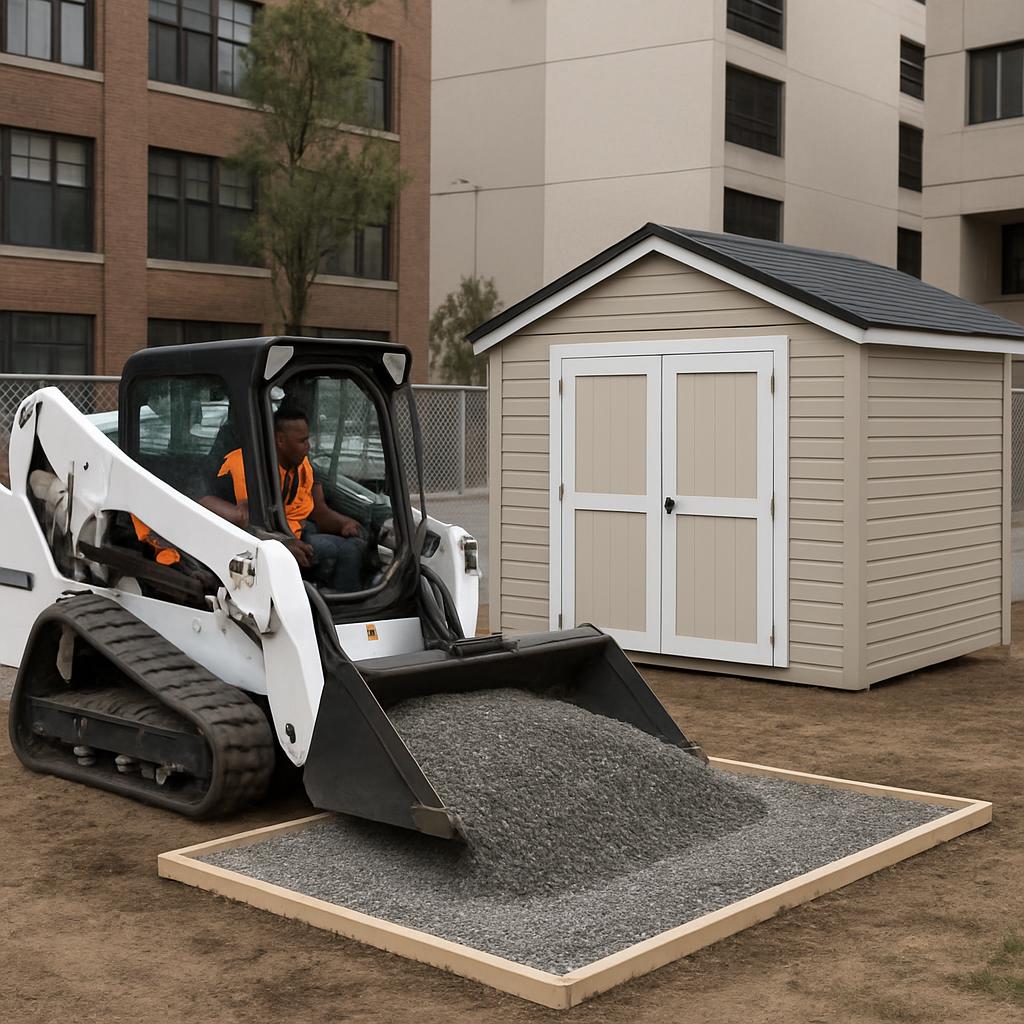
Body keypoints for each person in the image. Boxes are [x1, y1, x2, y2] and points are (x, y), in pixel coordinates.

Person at [202, 406, 367, 592]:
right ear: (280, 440)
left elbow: (318, 510)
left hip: (295, 532)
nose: (308, 446)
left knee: (354, 547)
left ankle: (344, 604)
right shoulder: (245, 467)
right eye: (302, 441)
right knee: (329, 549)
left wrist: (344, 523)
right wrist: (282, 544)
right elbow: (246, 521)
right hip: (259, 547)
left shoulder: (302, 465)